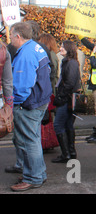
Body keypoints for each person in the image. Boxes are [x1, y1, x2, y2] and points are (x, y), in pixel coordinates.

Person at [8, 22, 52, 192]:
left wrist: (13, 104)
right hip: (39, 102)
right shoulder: (35, 47)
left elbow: (22, 87)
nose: (10, 38)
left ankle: (33, 177)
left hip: (29, 105)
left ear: (18, 36)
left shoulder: (25, 55)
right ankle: (37, 174)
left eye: (11, 35)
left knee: (28, 142)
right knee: (33, 140)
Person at [51, 41, 81, 163]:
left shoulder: (71, 63)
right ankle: (70, 152)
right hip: (68, 99)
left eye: (63, 47)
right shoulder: (68, 62)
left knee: (58, 125)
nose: (60, 48)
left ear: (69, 49)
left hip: (67, 99)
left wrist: (60, 97)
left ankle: (66, 154)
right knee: (68, 125)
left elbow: (69, 83)